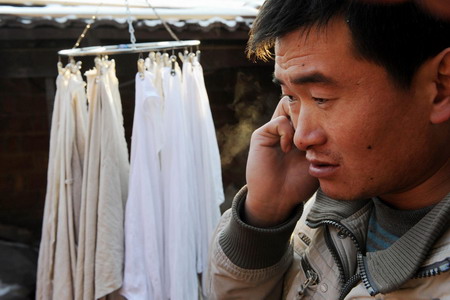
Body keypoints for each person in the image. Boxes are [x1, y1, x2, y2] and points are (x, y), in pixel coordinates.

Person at [206, 0, 450, 299]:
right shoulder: (318, 214)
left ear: (440, 87)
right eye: (290, 97)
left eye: (321, 98)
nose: (301, 138)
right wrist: (263, 217)